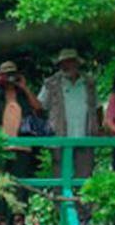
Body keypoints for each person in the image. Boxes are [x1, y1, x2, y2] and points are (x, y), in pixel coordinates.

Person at [0, 60, 44, 225]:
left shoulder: (23, 97)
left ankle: (18, 218)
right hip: (0, 145)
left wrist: (24, 87)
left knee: (20, 183)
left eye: (12, 74)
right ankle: (2, 218)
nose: (9, 79)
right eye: (6, 75)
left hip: (22, 144)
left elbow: (38, 107)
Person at [39, 48, 100, 179]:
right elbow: (40, 106)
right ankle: (60, 200)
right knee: (60, 177)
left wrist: (98, 128)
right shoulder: (51, 83)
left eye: (70, 62)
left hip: (85, 136)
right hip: (59, 136)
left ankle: (82, 200)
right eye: (63, 63)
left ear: (77, 63)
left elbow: (97, 107)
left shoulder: (89, 83)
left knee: (84, 178)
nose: (66, 66)